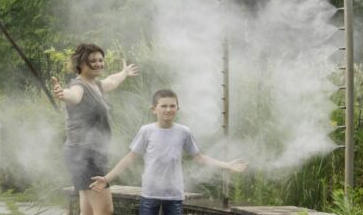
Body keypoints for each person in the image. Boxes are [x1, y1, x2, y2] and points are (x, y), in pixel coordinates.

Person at [89, 89, 247, 215]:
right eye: (163, 106)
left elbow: (199, 158)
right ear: (154, 109)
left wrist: (227, 165)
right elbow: (130, 158)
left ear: (177, 108)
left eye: (172, 106)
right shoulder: (146, 131)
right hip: (150, 194)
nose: (168, 109)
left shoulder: (183, 132)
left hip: (174, 195)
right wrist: (106, 179)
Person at [52, 43, 139, 215]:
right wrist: (63, 93)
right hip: (84, 155)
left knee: (88, 211)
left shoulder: (96, 85)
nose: (99, 63)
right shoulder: (79, 86)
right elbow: (74, 96)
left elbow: (111, 81)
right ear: (81, 64)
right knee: (105, 210)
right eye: (93, 61)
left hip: (89, 154)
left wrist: (124, 73)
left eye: (101, 60)